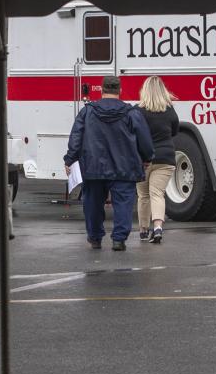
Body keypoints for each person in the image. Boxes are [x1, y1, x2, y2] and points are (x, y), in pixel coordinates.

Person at [64, 75, 155, 251]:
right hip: (124, 167)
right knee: (123, 204)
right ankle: (119, 240)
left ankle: (95, 237)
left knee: (92, 203)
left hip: (93, 167)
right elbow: (144, 140)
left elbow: (76, 137)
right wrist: (147, 158)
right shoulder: (131, 113)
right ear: (119, 91)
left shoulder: (87, 111)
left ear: (102, 89)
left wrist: (70, 159)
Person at [134, 76, 180, 244]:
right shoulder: (170, 110)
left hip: (142, 160)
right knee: (157, 193)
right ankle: (158, 228)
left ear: (144, 91)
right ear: (163, 91)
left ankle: (143, 230)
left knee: (143, 195)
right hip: (165, 158)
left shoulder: (137, 111)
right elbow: (175, 131)